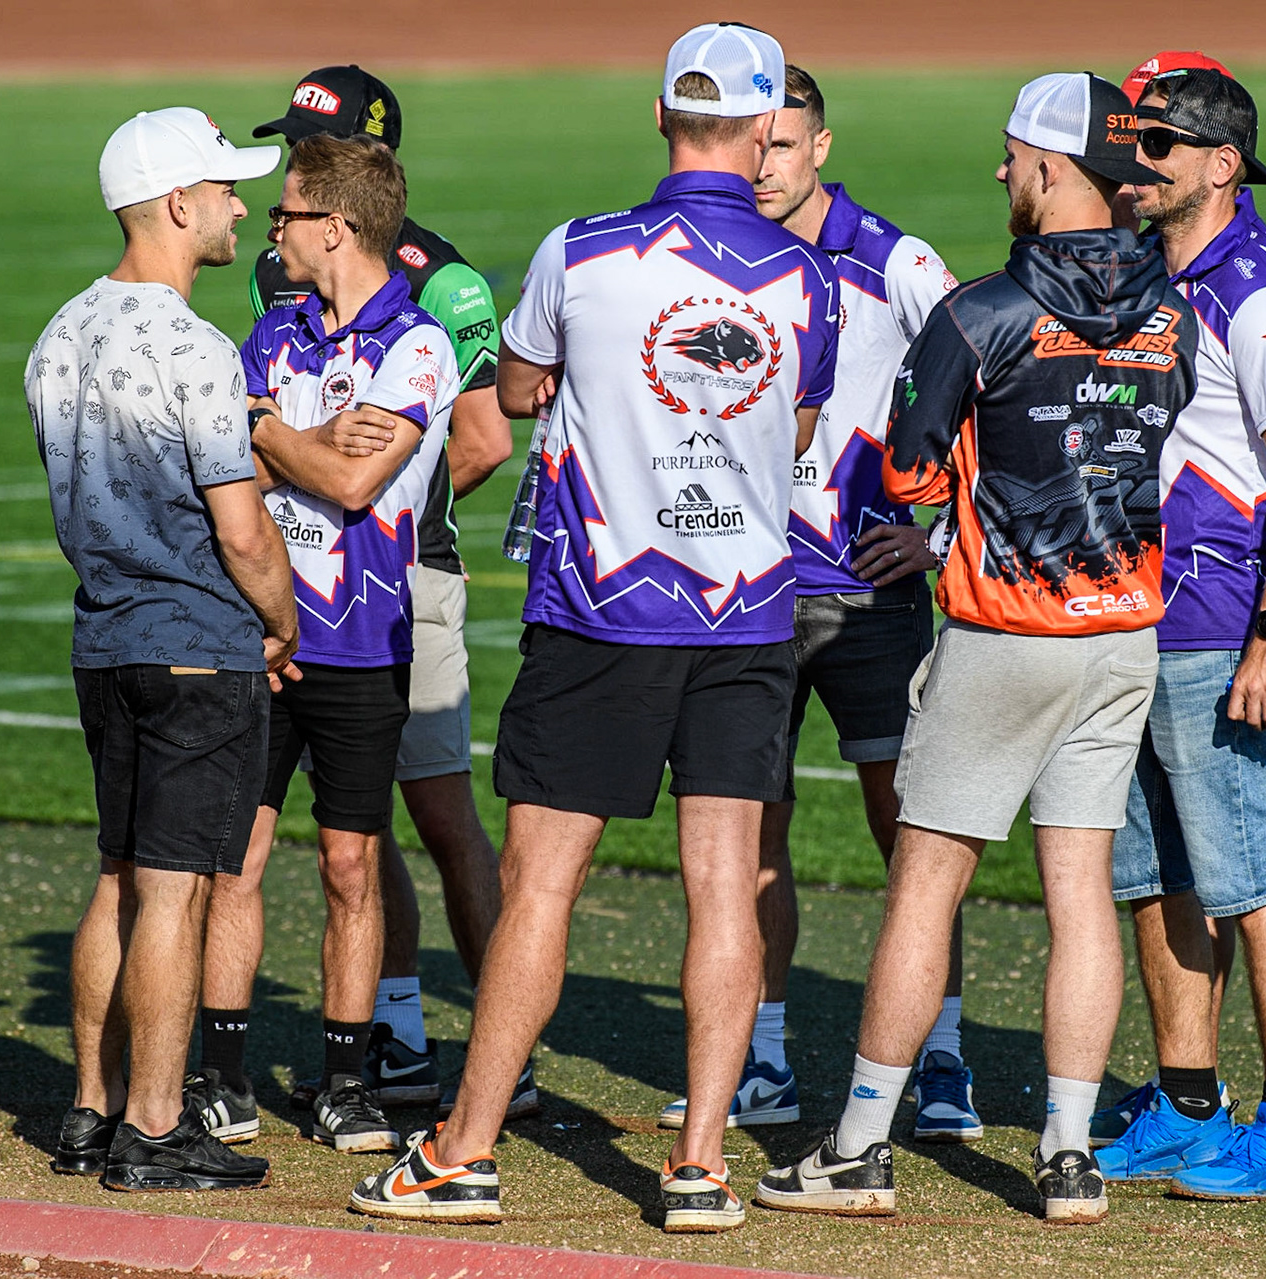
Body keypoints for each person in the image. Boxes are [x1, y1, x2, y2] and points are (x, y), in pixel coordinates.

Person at [350, 22, 839, 1233]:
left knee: (544, 883)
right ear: (768, 126)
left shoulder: (583, 250)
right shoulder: (808, 278)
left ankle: (463, 1151)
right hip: (749, 610)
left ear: (661, 113)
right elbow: (803, 424)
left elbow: (516, 389)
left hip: (608, 604)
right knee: (724, 884)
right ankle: (703, 1165)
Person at [756, 71, 1192, 1226]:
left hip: (1005, 632)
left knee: (925, 885)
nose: (1000, 173)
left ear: (1052, 169)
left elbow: (905, 470)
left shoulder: (979, 309)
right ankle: (1066, 1154)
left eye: (1012, 156)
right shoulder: (1171, 310)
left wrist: (952, 495)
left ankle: (856, 1146)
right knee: (1081, 894)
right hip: (1124, 633)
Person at [655, 62, 977, 1142]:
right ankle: (764, 1058)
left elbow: (993, 389)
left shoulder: (901, 263)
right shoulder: (712, 252)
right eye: (755, 142)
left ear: (820, 148)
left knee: (913, 835)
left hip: (866, 596)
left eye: (783, 146)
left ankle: (943, 1057)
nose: (764, 164)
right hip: (744, 591)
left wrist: (933, 538)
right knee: (748, 834)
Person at [230, 67, 516, 1115]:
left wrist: (377, 493)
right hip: (302, 579)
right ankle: (393, 1027)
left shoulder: (445, 287)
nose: (278, 198)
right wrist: (305, 452)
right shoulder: (284, 276)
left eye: (304, 153)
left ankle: (501, 1048)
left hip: (407, 578)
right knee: (356, 836)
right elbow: (264, 433)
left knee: (437, 812)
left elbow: (480, 441)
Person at [1088, 51, 1266, 1168]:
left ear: (1223, 164)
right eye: (1133, 140)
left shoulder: (1254, 288)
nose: (1134, 160)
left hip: (1218, 624)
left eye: (1158, 143)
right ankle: (1186, 1098)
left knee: (1250, 869)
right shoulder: (1154, 269)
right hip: (1139, 612)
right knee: (1157, 880)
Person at [28, 107, 290, 1191]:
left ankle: (89, 1108)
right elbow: (240, 527)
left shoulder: (58, 333)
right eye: (226, 189)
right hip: (197, 644)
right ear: (178, 205)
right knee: (178, 890)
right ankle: (153, 1124)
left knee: (117, 876)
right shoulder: (196, 347)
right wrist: (280, 619)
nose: (241, 205)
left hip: (104, 637)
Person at [198, 132, 460, 1158]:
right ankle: (222, 1075)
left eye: (287, 215)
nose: (272, 231)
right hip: (263, 638)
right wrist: (295, 442)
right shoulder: (272, 333)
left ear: (337, 228)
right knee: (237, 860)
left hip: (361, 642)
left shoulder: (420, 345)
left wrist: (270, 434)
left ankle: (345, 1083)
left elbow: (353, 486)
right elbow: (245, 473)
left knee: (351, 864)